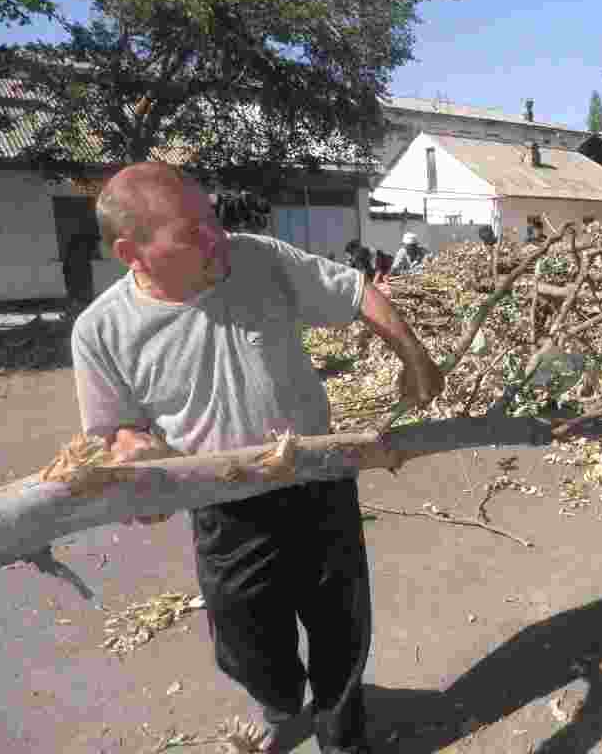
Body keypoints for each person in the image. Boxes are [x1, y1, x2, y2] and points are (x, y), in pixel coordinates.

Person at [71, 163, 444, 753]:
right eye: (190, 233)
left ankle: (341, 734)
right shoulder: (101, 331)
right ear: (131, 252)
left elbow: (355, 291)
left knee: (340, 625)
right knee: (245, 643)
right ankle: (280, 703)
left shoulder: (258, 259)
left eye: (211, 218)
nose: (216, 237)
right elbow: (111, 430)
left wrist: (414, 355)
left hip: (318, 479)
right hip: (225, 505)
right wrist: (132, 455)